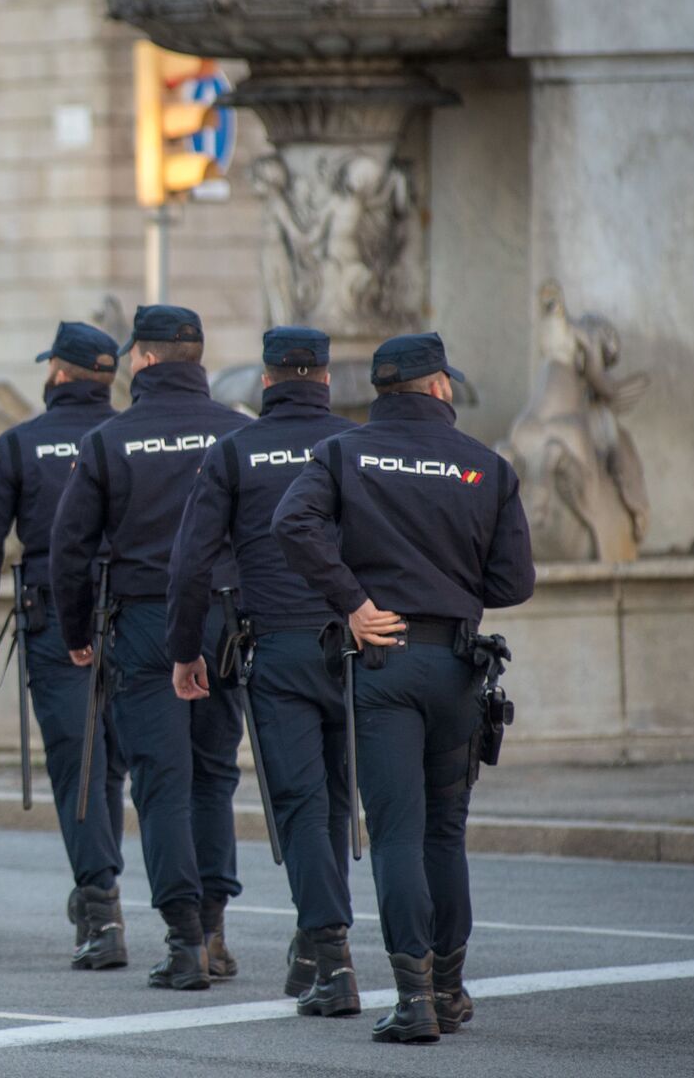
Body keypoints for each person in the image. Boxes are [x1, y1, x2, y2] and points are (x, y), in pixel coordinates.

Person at [272, 331, 534, 1043]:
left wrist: (352, 602)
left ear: (380, 390)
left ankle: (413, 997)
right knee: (444, 833)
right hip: (455, 665)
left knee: (394, 832)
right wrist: (450, 589)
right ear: (441, 385)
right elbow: (515, 582)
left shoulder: (344, 452)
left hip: (381, 660)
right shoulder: (486, 465)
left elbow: (290, 522)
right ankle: (448, 990)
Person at [49, 304, 253, 990]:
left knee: (161, 780)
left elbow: (68, 549)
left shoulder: (111, 440)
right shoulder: (237, 434)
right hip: (227, 622)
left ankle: (185, 940)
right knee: (214, 775)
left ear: (140, 360)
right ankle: (217, 930)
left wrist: (76, 634)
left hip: (144, 624)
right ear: (196, 358)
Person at [165, 326, 362, 1017]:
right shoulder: (352, 445)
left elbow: (190, 565)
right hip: (356, 641)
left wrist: (186, 651)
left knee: (302, 802)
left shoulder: (234, 451)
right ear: (327, 381)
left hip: (277, 647)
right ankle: (314, 944)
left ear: (267, 382)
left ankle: (329, 954)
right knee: (338, 798)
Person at [0, 321, 128, 970]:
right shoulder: (125, 437)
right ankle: (173, 915)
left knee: (77, 762)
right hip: (133, 617)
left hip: (57, 619)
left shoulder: (20, 443)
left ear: (57, 373)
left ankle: (100, 907)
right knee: (109, 763)